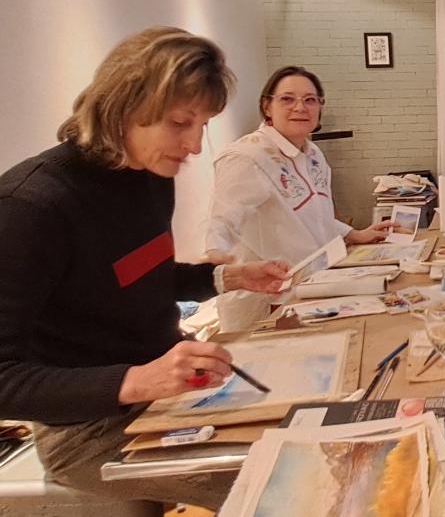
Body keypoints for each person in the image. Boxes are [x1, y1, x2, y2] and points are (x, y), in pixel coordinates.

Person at [0, 27, 289, 509]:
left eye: (202, 125)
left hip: (164, 391)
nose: (194, 146)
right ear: (122, 105)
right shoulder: (30, 206)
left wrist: (223, 278)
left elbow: (135, 276)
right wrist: (138, 380)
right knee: (284, 479)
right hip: (86, 431)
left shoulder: (148, 174)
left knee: (309, 425)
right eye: (179, 123)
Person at [204, 65, 393, 266]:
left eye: (310, 100)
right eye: (287, 99)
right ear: (267, 106)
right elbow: (222, 221)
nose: (300, 108)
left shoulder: (313, 154)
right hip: (275, 283)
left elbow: (315, 217)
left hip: (320, 274)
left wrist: (355, 234)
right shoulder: (247, 157)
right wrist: (216, 258)